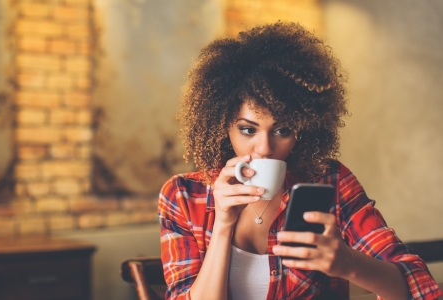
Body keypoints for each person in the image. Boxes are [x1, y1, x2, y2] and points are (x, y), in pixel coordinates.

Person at [158, 21, 441, 300]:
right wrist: (222, 225)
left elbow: (419, 285)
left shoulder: (329, 181)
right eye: (248, 129)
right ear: (222, 125)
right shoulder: (183, 196)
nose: (265, 148)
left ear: (303, 130)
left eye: (282, 130)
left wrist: (348, 263)